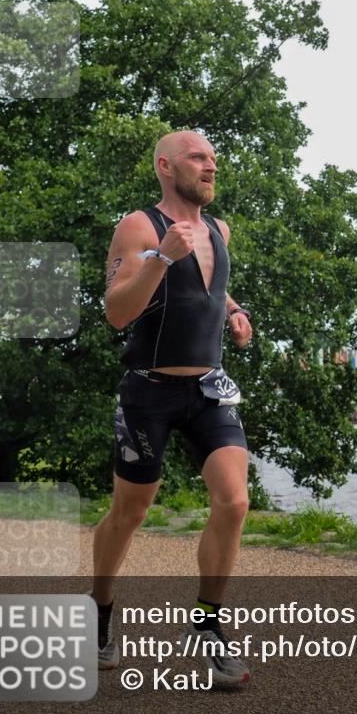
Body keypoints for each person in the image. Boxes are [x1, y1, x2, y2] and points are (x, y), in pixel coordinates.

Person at [92, 130, 253, 684]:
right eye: (198, 158)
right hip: (149, 393)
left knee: (233, 503)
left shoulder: (220, 230)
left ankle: (207, 624)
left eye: (213, 156)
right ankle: (100, 615)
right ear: (166, 165)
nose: (211, 165)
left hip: (209, 389)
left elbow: (210, 285)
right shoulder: (140, 227)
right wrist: (161, 257)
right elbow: (116, 311)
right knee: (129, 514)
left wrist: (234, 311)